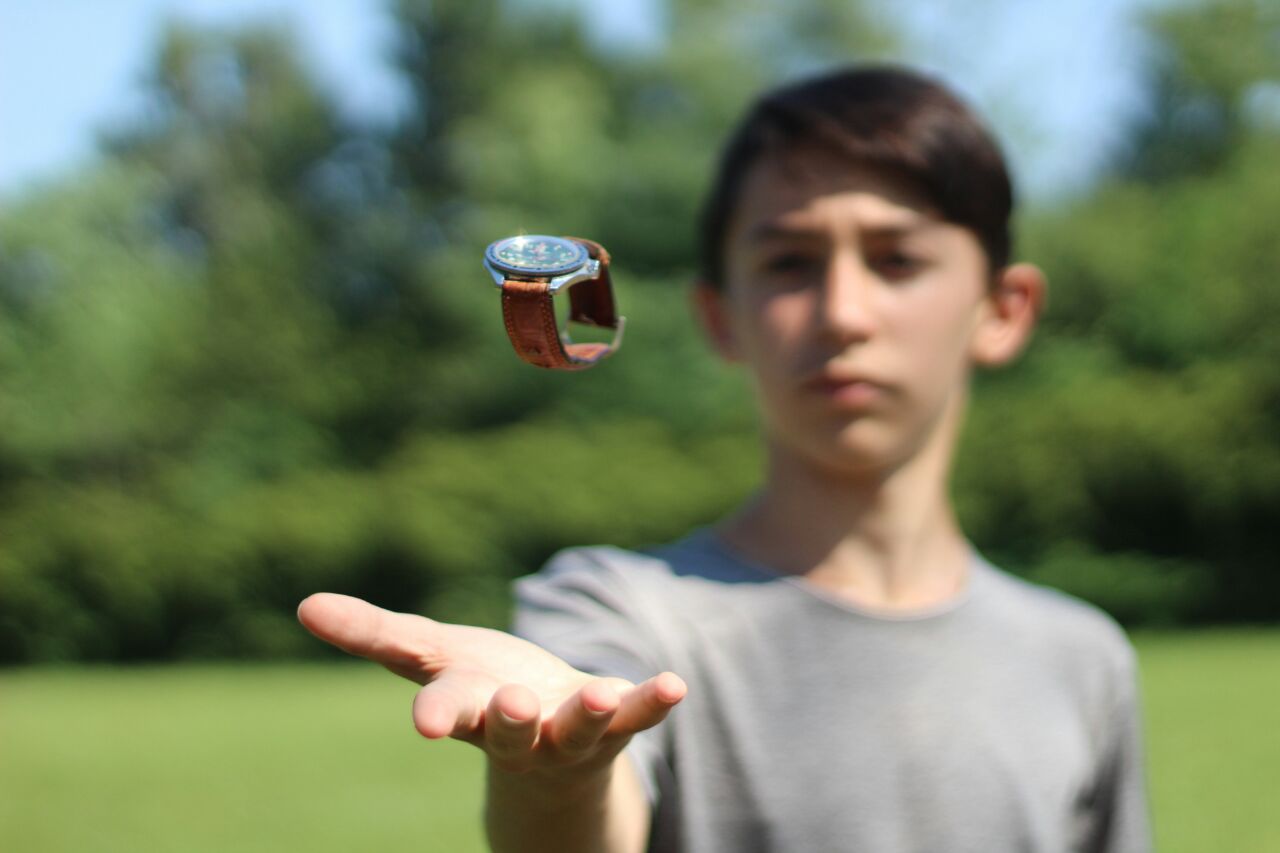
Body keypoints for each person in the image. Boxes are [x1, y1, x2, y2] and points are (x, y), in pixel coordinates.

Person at [298, 65, 1151, 853]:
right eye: (788, 263)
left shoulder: (1084, 658)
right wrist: (561, 774)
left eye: (898, 259)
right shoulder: (620, 614)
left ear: (1003, 308)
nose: (843, 312)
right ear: (719, 315)